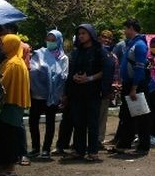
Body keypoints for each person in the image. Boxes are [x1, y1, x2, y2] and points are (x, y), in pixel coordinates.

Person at [63, 24, 104, 162]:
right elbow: (71, 70)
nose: (81, 36)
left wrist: (90, 78)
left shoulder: (99, 51)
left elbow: (106, 70)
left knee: (92, 122)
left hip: (92, 91)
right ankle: (79, 150)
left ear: (91, 34)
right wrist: (74, 78)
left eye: (84, 33)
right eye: (79, 33)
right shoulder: (76, 52)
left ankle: (93, 151)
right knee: (78, 122)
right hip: (77, 91)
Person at [0, 34, 30, 176]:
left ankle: (9, 168)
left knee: (9, 136)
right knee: (7, 135)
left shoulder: (13, 63)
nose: (1, 46)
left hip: (11, 104)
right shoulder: (14, 60)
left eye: (3, 43)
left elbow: (2, 84)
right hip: (13, 103)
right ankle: (5, 166)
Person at [29, 30, 68, 160]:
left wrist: (50, 74)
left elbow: (63, 76)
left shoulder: (62, 58)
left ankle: (46, 149)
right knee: (33, 121)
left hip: (52, 95)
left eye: (53, 40)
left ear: (59, 41)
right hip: (36, 93)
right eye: (48, 39)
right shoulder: (40, 53)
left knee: (50, 122)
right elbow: (32, 67)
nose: (50, 42)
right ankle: (35, 147)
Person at [116, 19, 151, 155]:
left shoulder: (140, 45)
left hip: (136, 85)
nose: (124, 31)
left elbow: (139, 68)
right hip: (128, 83)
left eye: (126, 28)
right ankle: (124, 143)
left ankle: (143, 147)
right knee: (126, 115)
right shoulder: (131, 44)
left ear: (131, 28)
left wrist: (134, 88)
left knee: (141, 116)